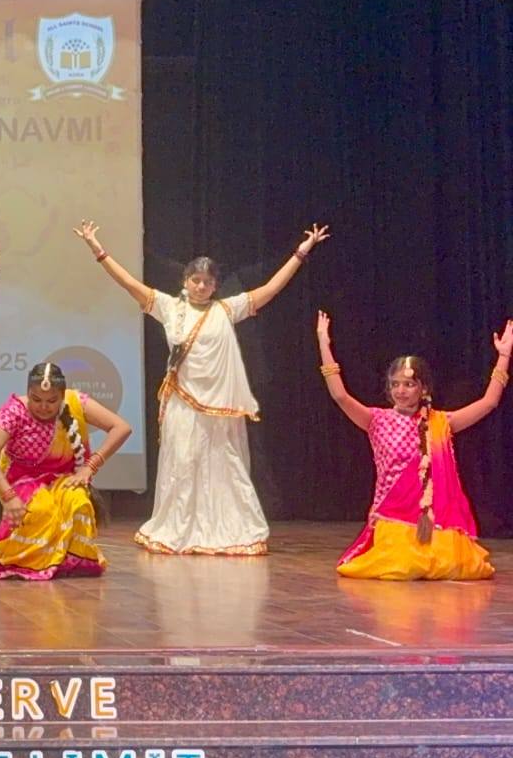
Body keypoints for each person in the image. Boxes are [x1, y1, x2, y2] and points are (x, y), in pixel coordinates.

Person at [74, 220, 329, 555]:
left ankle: (230, 529)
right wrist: (97, 249)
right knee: (182, 463)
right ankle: (178, 528)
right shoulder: (169, 308)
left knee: (225, 466)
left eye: (207, 282)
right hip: (182, 401)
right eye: (195, 280)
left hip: (221, 408)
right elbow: (129, 283)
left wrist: (301, 252)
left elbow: (270, 290)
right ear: (185, 281)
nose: (201, 286)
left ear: (215, 286)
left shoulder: (227, 309)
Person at [317, 311, 508, 580]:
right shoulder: (376, 420)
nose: (401, 391)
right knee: (402, 565)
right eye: (395, 384)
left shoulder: (441, 422)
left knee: (456, 565)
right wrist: (323, 344)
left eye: (408, 384)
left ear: (423, 389)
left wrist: (504, 356)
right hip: (393, 518)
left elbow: (488, 403)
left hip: (435, 520)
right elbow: (340, 395)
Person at [0, 362, 132, 580]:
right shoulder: (14, 410)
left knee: (79, 503)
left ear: (62, 396)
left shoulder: (76, 403)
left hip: (64, 479)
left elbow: (122, 428)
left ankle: (68, 563)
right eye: (36, 399)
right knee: (42, 511)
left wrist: (90, 466)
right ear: (28, 392)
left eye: (51, 401)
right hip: (23, 480)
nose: (43, 407)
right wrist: (8, 496)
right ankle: (32, 563)